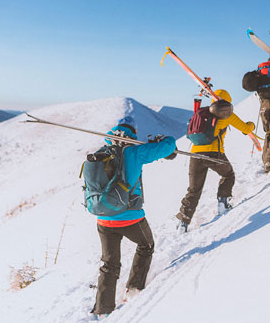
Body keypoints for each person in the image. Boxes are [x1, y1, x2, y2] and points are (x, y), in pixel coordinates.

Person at [90, 116, 176, 318]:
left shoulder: (102, 151)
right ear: (132, 134)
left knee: (109, 264)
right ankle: (134, 289)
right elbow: (168, 147)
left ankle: (103, 309)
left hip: (103, 218)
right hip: (130, 217)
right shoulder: (136, 152)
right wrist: (163, 139)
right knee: (146, 246)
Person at [176, 89, 255, 232]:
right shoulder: (227, 114)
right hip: (214, 154)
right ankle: (223, 202)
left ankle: (183, 221)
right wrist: (252, 125)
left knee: (194, 190)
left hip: (195, 155)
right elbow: (245, 128)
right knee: (228, 174)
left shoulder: (204, 113)